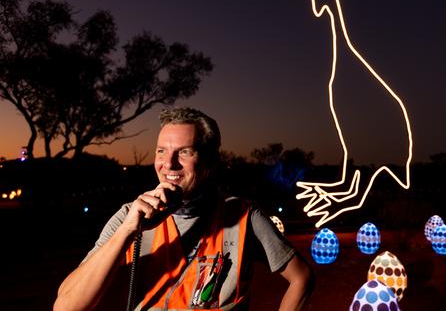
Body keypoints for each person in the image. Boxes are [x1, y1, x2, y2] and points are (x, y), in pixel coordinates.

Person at [54, 107, 314, 311]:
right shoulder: (128, 216)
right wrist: (127, 232)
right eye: (161, 151)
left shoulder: (244, 216)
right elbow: (66, 306)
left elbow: (302, 278)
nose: (169, 163)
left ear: (210, 162)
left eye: (185, 152)